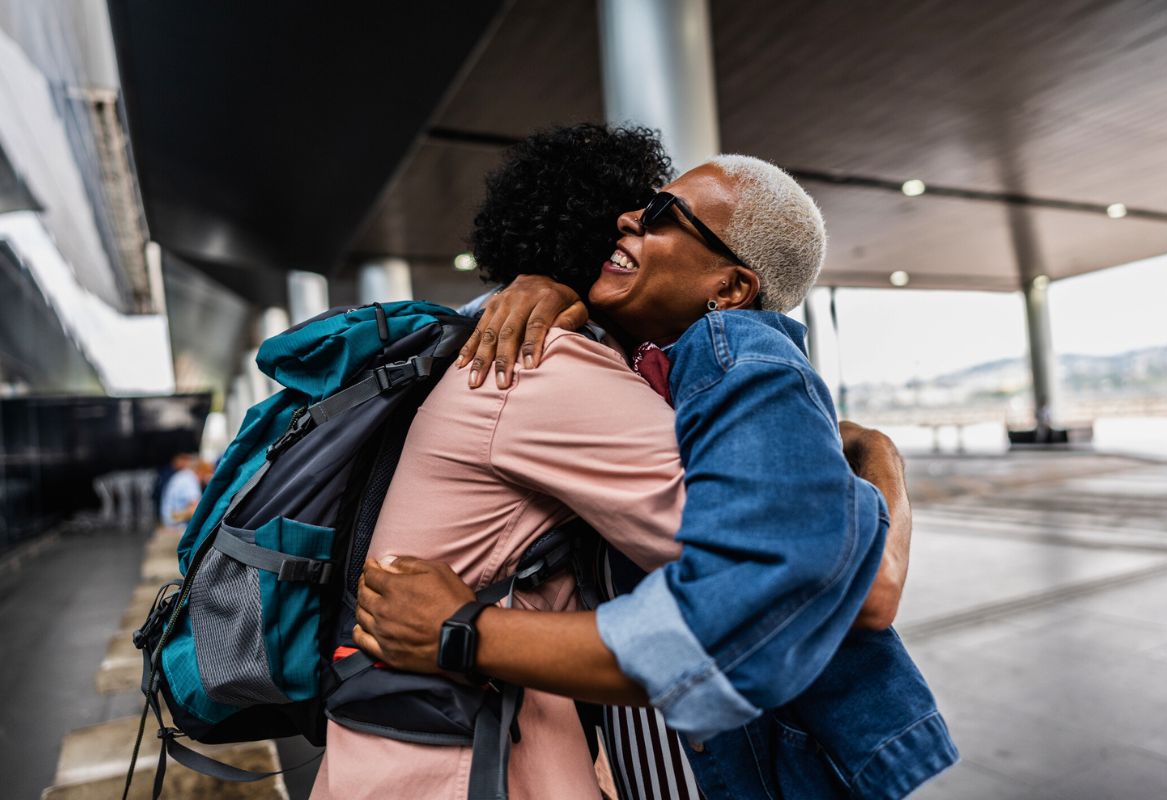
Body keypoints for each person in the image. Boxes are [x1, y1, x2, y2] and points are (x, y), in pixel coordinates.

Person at [352, 145, 956, 797]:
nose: (628, 218)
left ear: (730, 288)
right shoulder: (628, 369)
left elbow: (829, 586)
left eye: (663, 212)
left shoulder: (738, 357)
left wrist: (465, 633)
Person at [158, 453, 203, 528]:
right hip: (177, 524)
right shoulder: (190, 477)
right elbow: (196, 507)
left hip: (169, 519)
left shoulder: (182, 475)